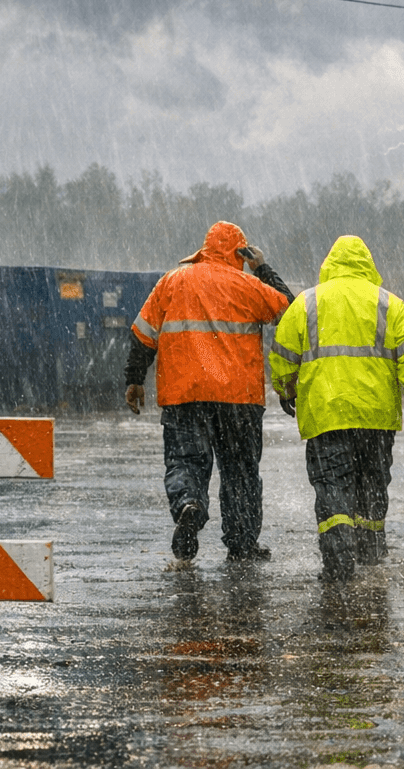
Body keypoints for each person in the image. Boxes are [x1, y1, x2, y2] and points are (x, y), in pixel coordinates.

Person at [124, 221, 294, 562]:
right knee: (240, 472)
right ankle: (242, 545)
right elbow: (290, 314)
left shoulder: (172, 281)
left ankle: (189, 504)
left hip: (185, 394)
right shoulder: (249, 285)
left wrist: (134, 378)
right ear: (241, 253)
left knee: (185, 461)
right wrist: (263, 269)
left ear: (204, 249)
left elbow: (143, 334)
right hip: (238, 398)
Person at [268, 235, 404, 582]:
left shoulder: (308, 302)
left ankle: (338, 561)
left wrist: (285, 388)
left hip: (327, 414)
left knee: (332, 485)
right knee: (372, 483)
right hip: (376, 416)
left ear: (330, 264)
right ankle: (370, 554)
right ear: (367, 264)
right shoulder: (389, 304)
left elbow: (282, 353)